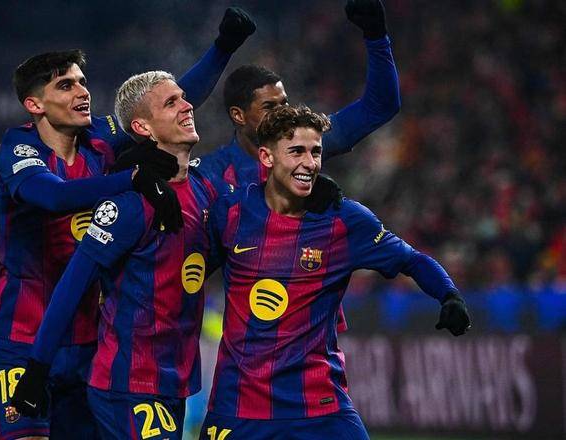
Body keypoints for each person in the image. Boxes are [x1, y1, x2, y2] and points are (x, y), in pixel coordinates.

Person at [0, 9, 256, 440]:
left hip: (90, 339)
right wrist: (133, 178)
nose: (82, 91)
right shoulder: (18, 149)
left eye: (82, 81)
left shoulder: (100, 138)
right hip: (22, 333)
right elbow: (54, 197)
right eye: (65, 85)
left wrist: (223, 46)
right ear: (34, 105)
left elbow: (163, 106)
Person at [200, 105, 471, 439]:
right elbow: (189, 261)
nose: (310, 163)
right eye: (296, 151)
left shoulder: (344, 220)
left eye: (315, 152)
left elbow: (411, 260)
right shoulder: (230, 212)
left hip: (319, 405)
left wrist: (449, 295)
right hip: (239, 406)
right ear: (267, 157)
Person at [11, 71, 229, 439]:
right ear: (143, 127)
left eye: (183, 97)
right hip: (128, 383)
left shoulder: (204, 191)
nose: (187, 105)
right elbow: (72, 286)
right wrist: (37, 369)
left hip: (173, 383)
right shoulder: (129, 204)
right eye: (171, 102)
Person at [197, 0, 399, 202]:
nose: (281, 113)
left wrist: (377, 39)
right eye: (269, 107)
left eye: (283, 103)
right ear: (238, 115)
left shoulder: (308, 141)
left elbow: (381, 106)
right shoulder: (211, 174)